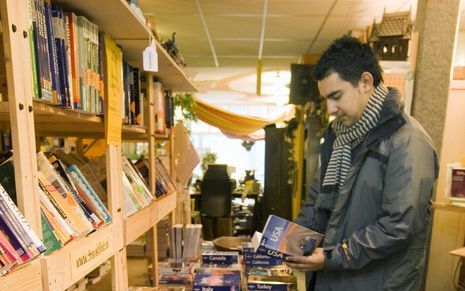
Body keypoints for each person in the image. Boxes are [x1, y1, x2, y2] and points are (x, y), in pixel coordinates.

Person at [285, 35, 438, 290]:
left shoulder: (408, 141)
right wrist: (293, 246)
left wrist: (333, 257)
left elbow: (398, 227)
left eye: (336, 96)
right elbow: (317, 202)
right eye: (326, 100)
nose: (330, 109)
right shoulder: (339, 138)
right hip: (332, 279)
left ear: (366, 82)